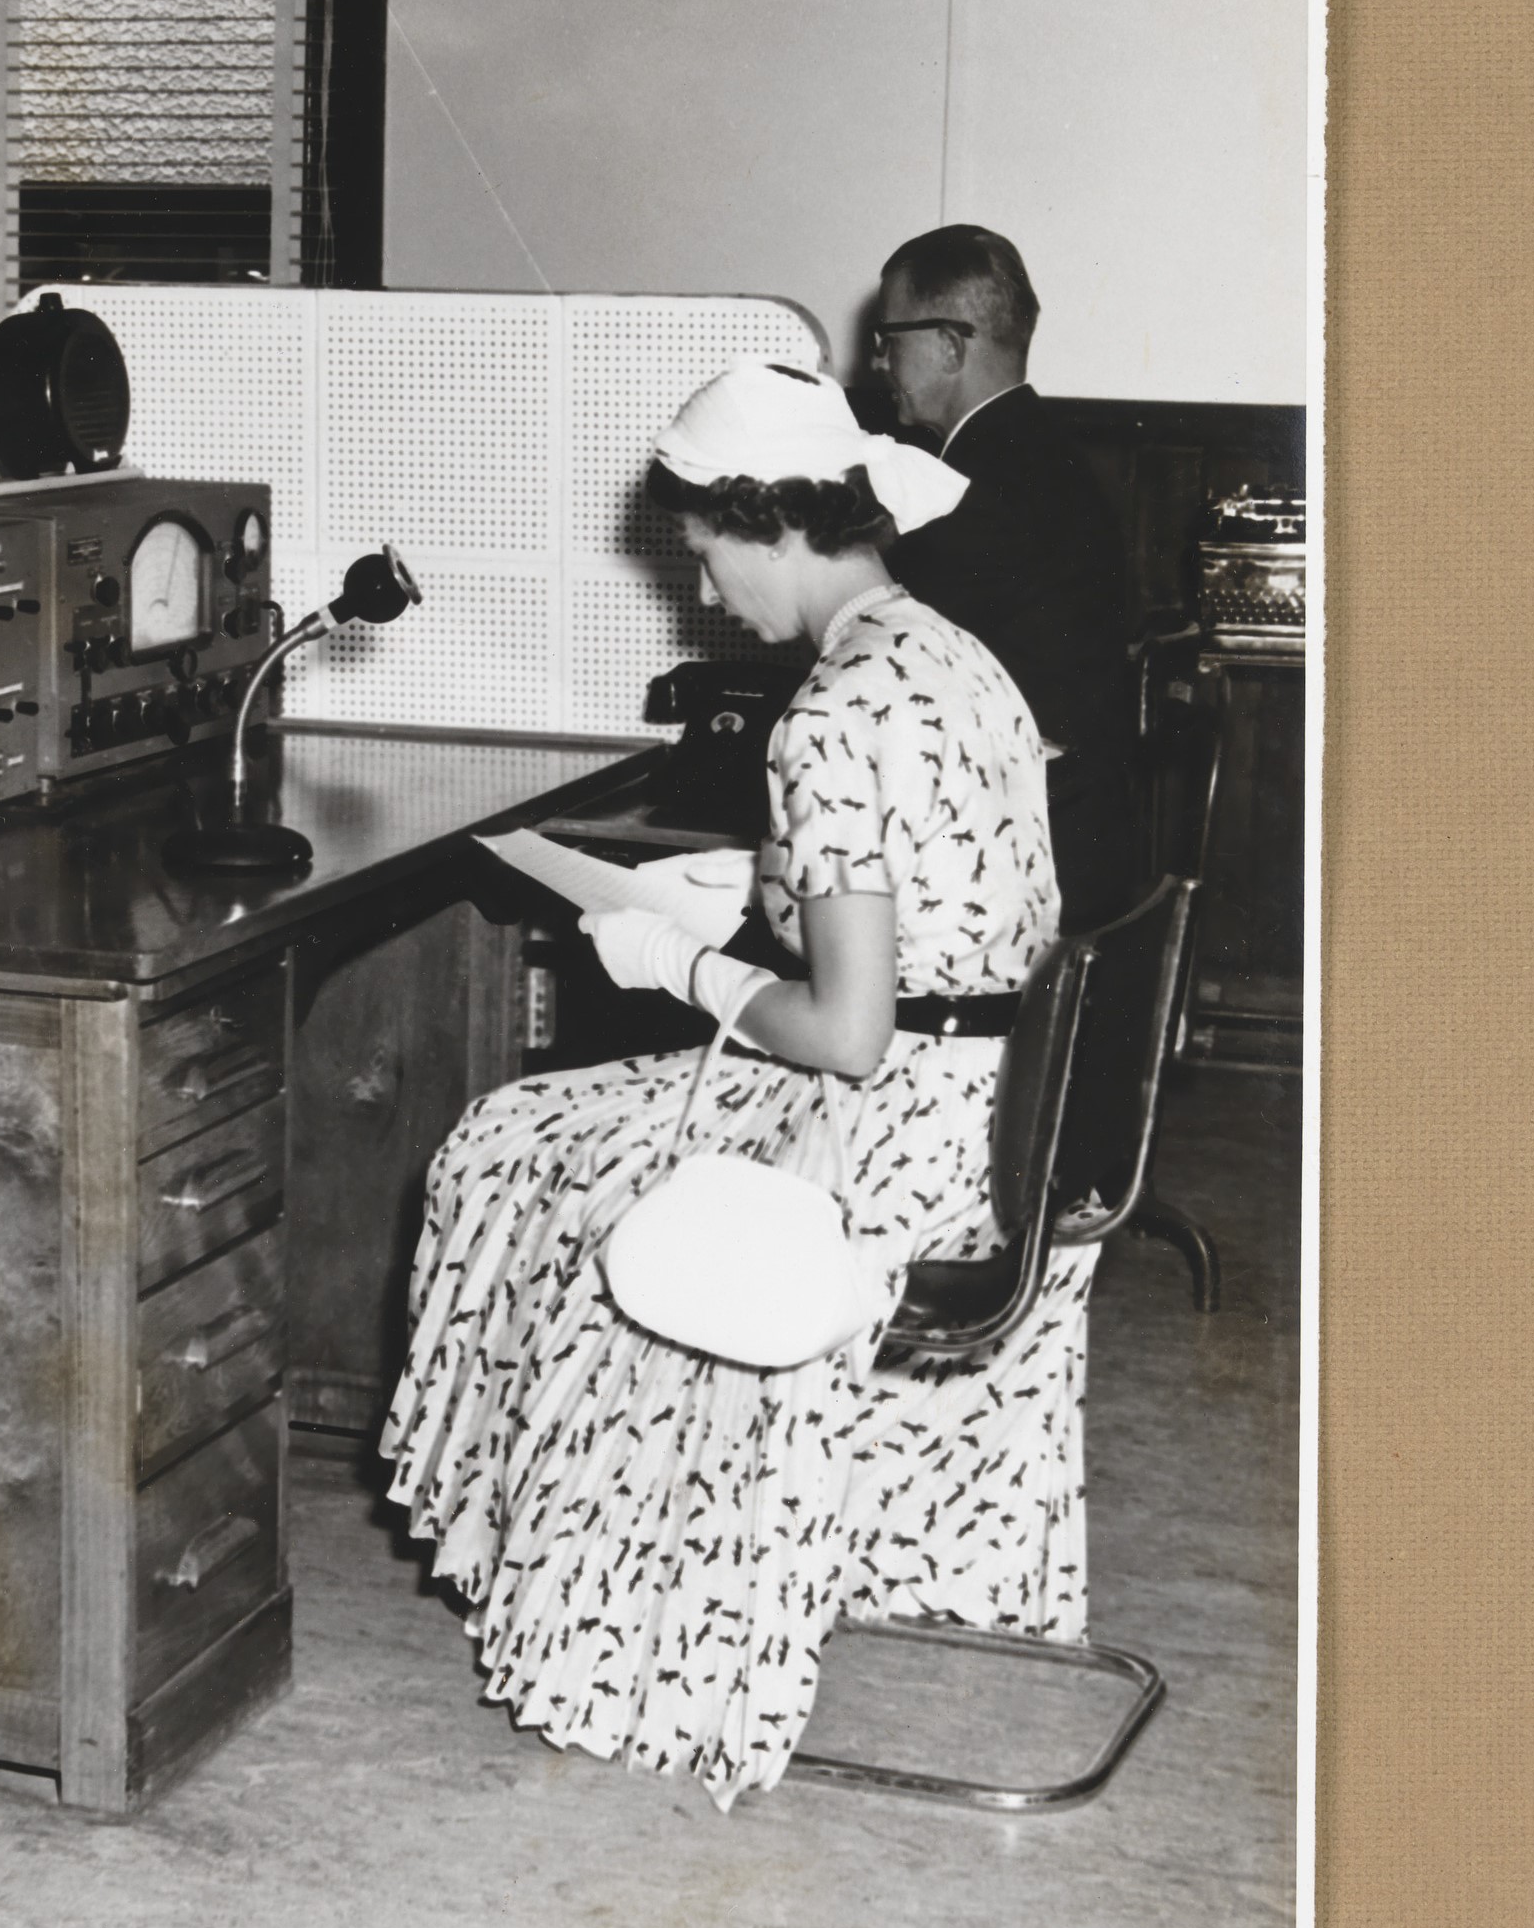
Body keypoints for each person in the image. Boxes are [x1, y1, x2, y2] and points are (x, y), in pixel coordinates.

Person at [379, 357, 1100, 1809]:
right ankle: (573, 1558)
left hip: (885, 1140)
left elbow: (842, 1033)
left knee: (509, 1148)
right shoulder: (951, 656)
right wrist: (751, 900)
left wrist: (680, 967)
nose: (707, 600)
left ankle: (603, 1608)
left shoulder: (828, 716)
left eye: (708, 559)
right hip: (1002, 1112)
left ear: (768, 522)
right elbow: (930, 909)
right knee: (539, 1130)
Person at [866, 226, 1140, 928]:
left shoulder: (973, 493)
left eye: (888, 338)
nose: (878, 362)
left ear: (950, 346)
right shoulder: (1043, 459)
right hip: (1085, 834)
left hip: (1031, 867)